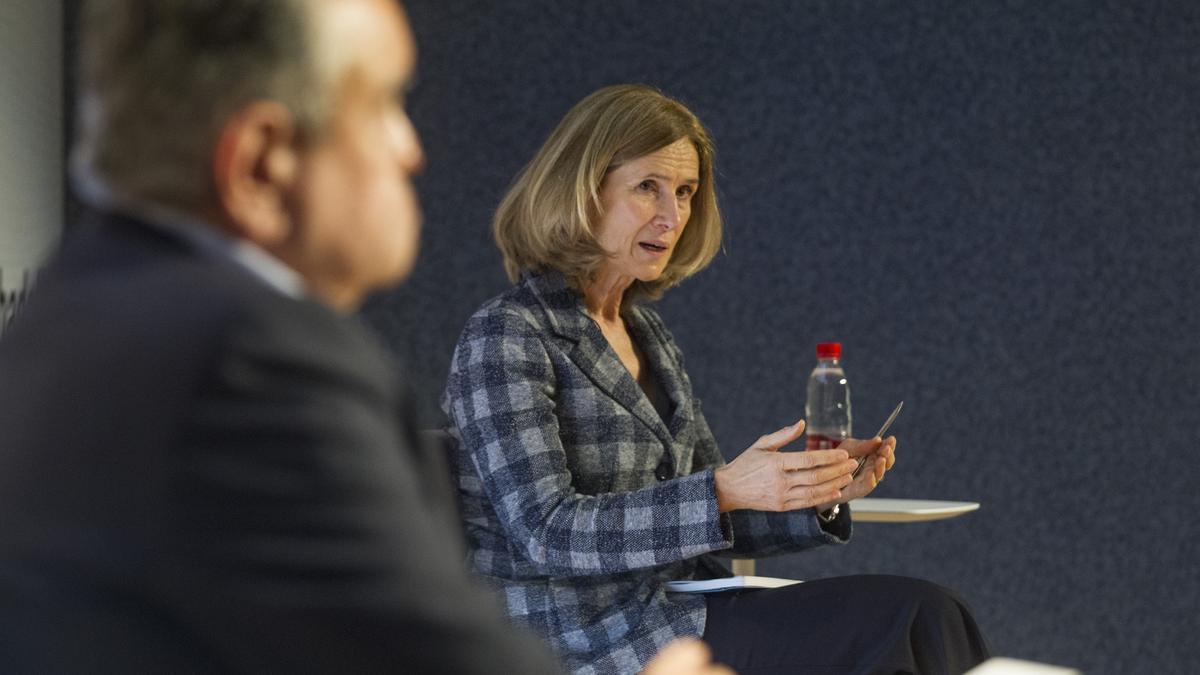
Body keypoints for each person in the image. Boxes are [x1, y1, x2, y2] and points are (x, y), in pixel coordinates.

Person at [0, 4, 725, 673]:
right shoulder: (251, 362)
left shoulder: (62, 322)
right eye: (381, 105)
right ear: (262, 160)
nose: (410, 150)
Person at [442, 84, 992, 674]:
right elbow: (547, 531)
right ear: (581, 190)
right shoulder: (506, 335)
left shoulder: (646, 334)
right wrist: (726, 489)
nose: (672, 216)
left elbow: (716, 518)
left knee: (929, 613)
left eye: (684, 192)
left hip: (683, 609)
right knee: (906, 619)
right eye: (647, 187)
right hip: (582, 637)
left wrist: (817, 493)